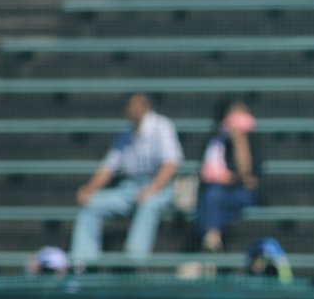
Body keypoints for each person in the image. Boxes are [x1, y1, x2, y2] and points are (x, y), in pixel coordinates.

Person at [70, 93, 184, 268]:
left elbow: (170, 163)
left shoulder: (162, 126)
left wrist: (152, 189)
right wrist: (88, 189)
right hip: (130, 188)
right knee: (90, 205)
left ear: (146, 106)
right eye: (129, 105)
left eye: (135, 105)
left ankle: (133, 260)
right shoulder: (125, 134)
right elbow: (108, 168)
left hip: (159, 187)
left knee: (149, 204)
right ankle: (83, 261)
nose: (131, 109)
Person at [196, 100, 263, 253]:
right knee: (212, 194)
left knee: (214, 198)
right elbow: (207, 173)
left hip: (241, 194)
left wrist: (239, 139)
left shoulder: (252, 140)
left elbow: (247, 175)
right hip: (216, 192)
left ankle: (213, 234)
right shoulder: (216, 140)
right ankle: (212, 236)